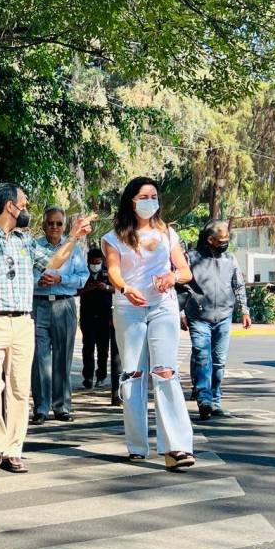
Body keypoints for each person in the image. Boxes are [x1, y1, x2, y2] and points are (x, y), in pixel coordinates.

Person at [0, 183, 92, 477]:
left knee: (19, 388)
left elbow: (54, 262)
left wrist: (76, 237)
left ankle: (13, 450)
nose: (27, 210)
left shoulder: (24, 241)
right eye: (24, 204)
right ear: (10, 207)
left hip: (22, 322)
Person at [102, 176, 196, 470]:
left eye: (154, 196)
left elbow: (185, 271)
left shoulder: (168, 232)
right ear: (131, 201)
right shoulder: (113, 237)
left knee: (166, 372)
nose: (150, 201)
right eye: (144, 196)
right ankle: (137, 444)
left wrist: (172, 277)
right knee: (133, 375)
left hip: (163, 306)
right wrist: (126, 288)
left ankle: (176, 448)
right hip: (128, 308)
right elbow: (114, 271)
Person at [181, 220, 251, 420]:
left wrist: (244, 311)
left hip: (224, 316)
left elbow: (238, 285)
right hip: (198, 316)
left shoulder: (230, 259)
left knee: (219, 361)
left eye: (227, 239)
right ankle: (204, 399)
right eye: (222, 240)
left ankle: (215, 399)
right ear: (210, 239)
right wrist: (181, 313)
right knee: (202, 357)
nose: (225, 243)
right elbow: (182, 287)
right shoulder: (191, 258)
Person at [30, 207, 88, 424]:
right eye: (50, 223)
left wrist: (61, 280)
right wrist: (40, 281)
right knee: (39, 358)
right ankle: (41, 408)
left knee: (62, 357)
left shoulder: (72, 247)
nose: (54, 227)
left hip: (64, 305)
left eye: (59, 223)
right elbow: (26, 273)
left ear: (64, 226)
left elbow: (83, 277)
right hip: (39, 304)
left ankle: (62, 406)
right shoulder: (34, 246)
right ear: (44, 225)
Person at [78, 247, 116, 390]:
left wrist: (104, 287)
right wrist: (86, 289)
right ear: (88, 262)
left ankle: (101, 376)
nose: (95, 265)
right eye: (93, 263)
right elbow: (75, 290)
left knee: (103, 348)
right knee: (87, 348)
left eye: (98, 262)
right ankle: (87, 377)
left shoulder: (108, 272)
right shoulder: (83, 272)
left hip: (104, 315)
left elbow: (117, 289)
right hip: (87, 315)